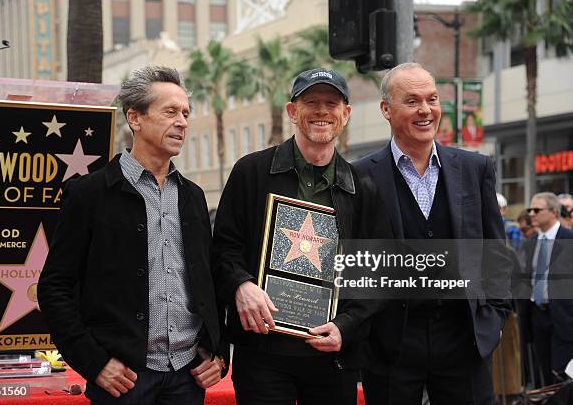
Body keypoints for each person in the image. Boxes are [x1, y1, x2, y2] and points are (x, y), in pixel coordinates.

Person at [38, 66, 226, 405]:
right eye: (170, 112)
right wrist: (93, 363)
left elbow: (209, 280)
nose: (182, 122)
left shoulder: (194, 196)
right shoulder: (89, 194)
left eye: (186, 113)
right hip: (122, 379)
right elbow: (55, 287)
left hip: (187, 377)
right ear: (135, 119)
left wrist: (217, 349)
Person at [211, 68, 392, 404]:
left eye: (331, 103)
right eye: (311, 102)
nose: (322, 111)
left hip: (332, 358)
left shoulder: (363, 189)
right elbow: (223, 248)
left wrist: (347, 326)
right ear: (292, 111)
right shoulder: (251, 172)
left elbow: (375, 274)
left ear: (346, 114)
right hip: (262, 352)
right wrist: (241, 284)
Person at [353, 62, 512, 405]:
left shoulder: (475, 168)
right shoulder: (359, 176)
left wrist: (495, 317)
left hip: (464, 336)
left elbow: (494, 251)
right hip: (390, 343)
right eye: (411, 101)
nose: (426, 110)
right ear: (386, 109)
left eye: (432, 99)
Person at [519, 192, 573, 385]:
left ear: (553, 212)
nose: (532, 214)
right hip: (536, 315)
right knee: (542, 375)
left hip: (564, 317)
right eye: (530, 210)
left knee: (563, 377)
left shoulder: (569, 238)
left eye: (537, 210)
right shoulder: (530, 243)